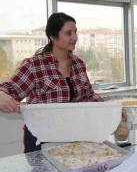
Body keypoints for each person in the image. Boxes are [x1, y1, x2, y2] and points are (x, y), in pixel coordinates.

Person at [0, 12, 103, 153]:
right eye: (68, 33)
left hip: (73, 134)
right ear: (53, 37)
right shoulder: (35, 65)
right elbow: (10, 89)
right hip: (41, 137)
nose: (75, 37)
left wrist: (112, 109)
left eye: (75, 32)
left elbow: (88, 96)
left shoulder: (79, 64)